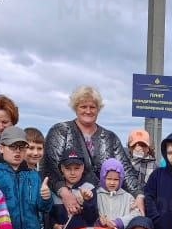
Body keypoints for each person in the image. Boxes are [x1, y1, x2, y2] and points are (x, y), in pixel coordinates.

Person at [42, 86, 134, 219]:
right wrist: (65, 193)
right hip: (64, 205)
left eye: (92, 107)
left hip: (102, 206)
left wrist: (138, 196)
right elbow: (49, 166)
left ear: (98, 109)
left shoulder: (110, 137)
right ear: (75, 108)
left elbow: (126, 170)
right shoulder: (60, 130)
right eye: (83, 107)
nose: (88, 111)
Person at [124, 129, 158, 201]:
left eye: (143, 145)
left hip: (146, 203)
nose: (139, 148)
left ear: (148, 148)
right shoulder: (124, 163)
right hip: (127, 203)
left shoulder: (155, 167)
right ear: (129, 148)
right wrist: (136, 161)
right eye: (134, 145)